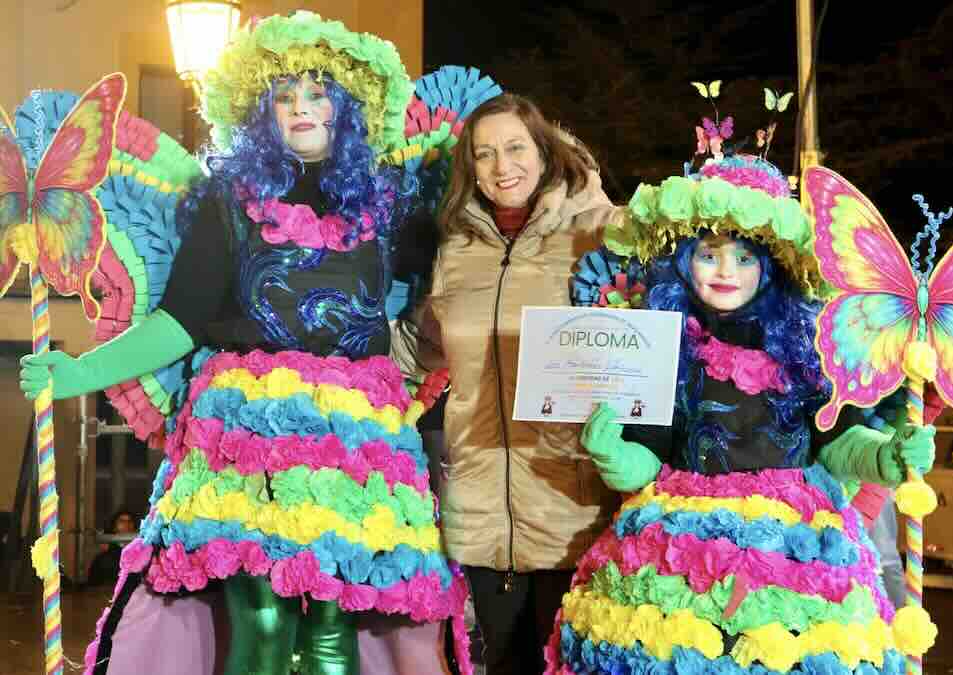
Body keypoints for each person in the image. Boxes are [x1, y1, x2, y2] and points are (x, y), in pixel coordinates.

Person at [20, 12, 470, 675]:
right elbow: (180, 321)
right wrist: (80, 372)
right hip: (245, 440)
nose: (300, 109)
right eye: (284, 97)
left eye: (317, 94)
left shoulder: (390, 207)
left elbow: (453, 287)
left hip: (354, 447)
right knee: (258, 625)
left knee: (331, 640)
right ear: (265, 113)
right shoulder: (229, 200)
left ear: (346, 107)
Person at [544, 154, 938, 674]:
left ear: (770, 266)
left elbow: (837, 442)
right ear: (685, 261)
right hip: (682, 561)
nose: (727, 271)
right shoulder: (665, 345)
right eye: (710, 254)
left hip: (791, 559)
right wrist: (615, 454)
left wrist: (887, 457)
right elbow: (650, 458)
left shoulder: (807, 348)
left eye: (745, 257)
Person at [392, 93, 623, 675]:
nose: (502, 167)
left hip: (574, 505)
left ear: (545, 152)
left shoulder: (601, 234)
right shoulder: (455, 251)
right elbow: (418, 352)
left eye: (515, 148)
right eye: (485, 154)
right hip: (480, 508)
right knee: (502, 663)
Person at [87, 510, 138, 586]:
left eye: (130, 521)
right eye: (122, 521)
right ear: (114, 527)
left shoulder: (140, 553)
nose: (127, 524)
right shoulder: (104, 559)